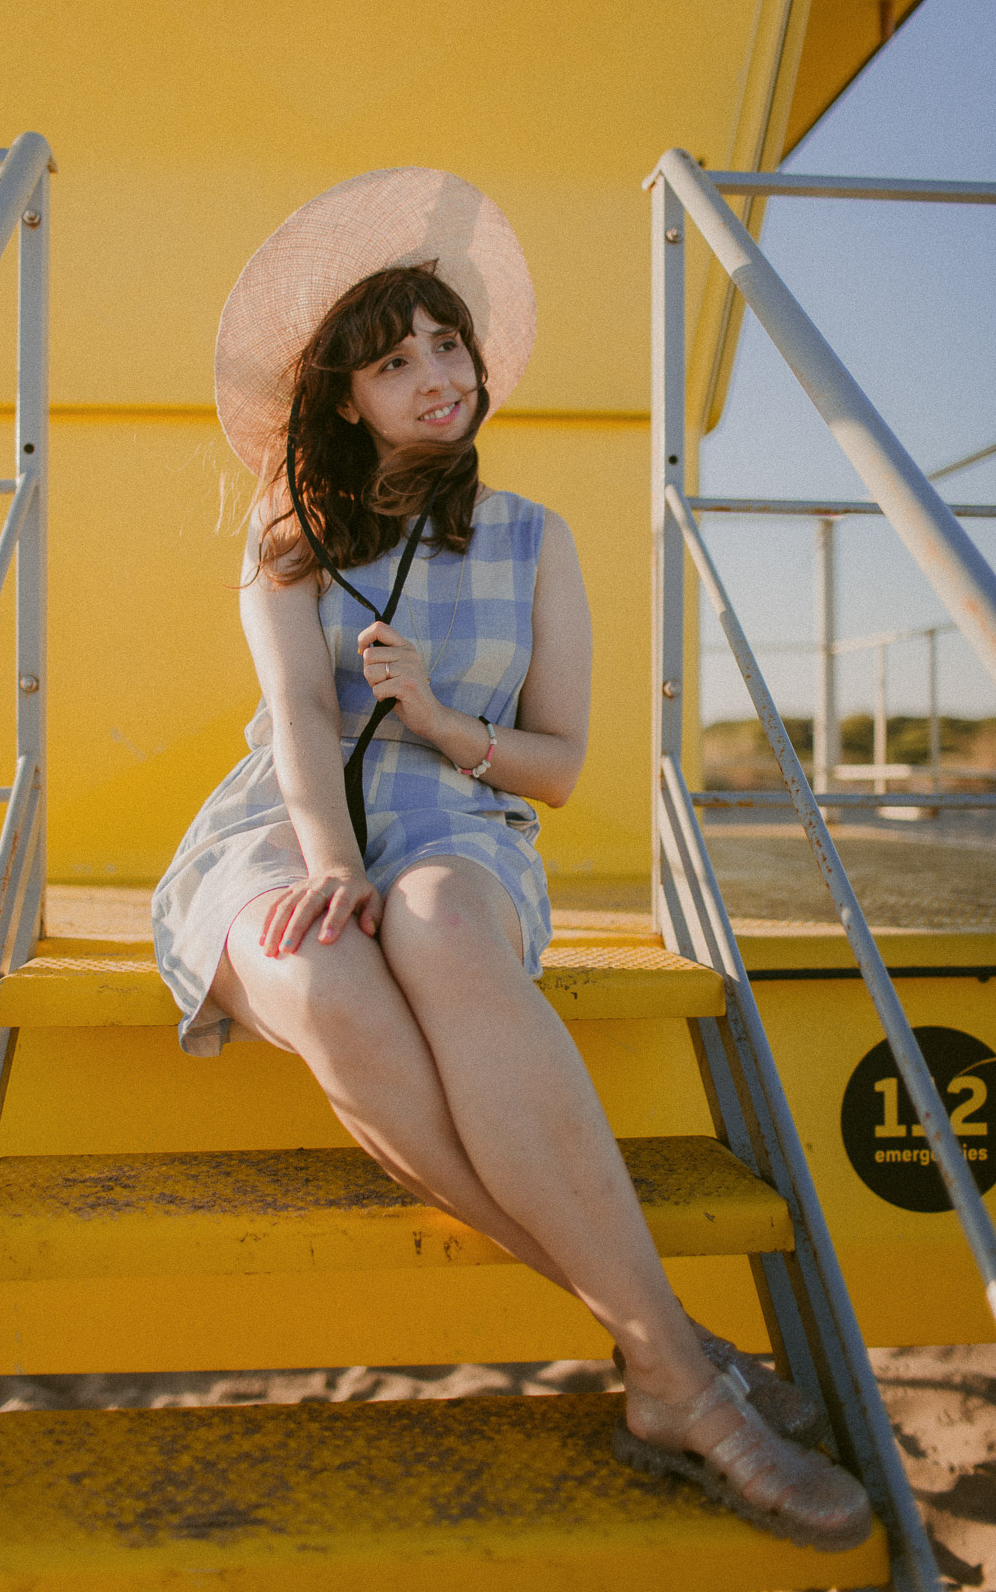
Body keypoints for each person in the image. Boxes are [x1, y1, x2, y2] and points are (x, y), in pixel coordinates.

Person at [153, 168, 871, 1551]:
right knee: (336, 978)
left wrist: (433, 716)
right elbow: (300, 715)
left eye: (449, 345)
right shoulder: (285, 538)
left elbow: (555, 763)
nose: (437, 373)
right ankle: (675, 1357)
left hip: (463, 824)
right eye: (394, 359)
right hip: (278, 829)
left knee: (443, 930)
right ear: (343, 400)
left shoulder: (536, 538)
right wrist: (327, 857)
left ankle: (678, 1378)